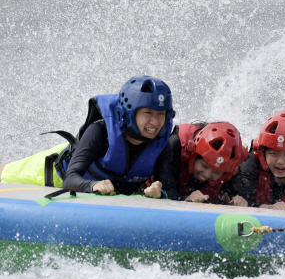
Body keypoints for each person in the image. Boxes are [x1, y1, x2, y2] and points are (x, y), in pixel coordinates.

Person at [0, 75, 176, 199]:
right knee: (3, 174)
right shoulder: (99, 131)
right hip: (51, 173)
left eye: (161, 114)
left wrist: (160, 193)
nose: (155, 121)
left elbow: (170, 188)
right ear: (129, 113)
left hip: (93, 189)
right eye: (148, 113)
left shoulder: (162, 145)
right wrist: (92, 186)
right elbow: (70, 179)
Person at [145, 121, 249, 205]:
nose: (207, 174)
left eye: (217, 172)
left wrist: (240, 202)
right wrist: (185, 200)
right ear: (194, 155)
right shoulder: (176, 146)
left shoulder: (232, 166)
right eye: (204, 165)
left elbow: (246, 199)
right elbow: (166, 190)